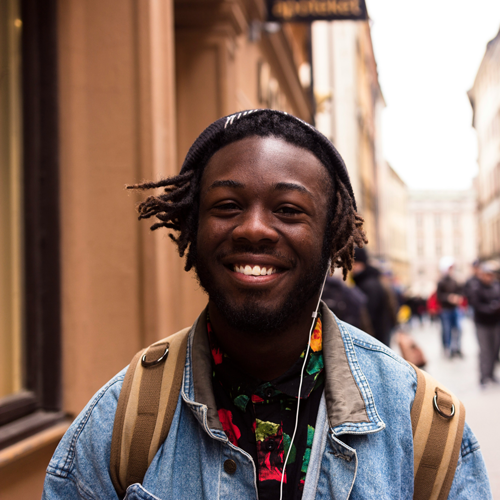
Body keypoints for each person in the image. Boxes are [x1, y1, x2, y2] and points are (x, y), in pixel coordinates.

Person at [42, 110, 491, 499]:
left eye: (289, 210)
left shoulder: (424, 432)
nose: (254, 228)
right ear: (193, 227)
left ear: (332, 236)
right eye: (227, 205)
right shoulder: (120, 426)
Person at [351, 247, 396, 347]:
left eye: (354, 263)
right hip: (382, 334)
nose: (351, 268)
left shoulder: (367, 285)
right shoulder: (374, 279)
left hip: (375, 336)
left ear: (361, 263)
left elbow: (368, 316)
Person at [469, 262, 500, 387]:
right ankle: (484, 376)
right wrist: (490, 308)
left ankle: (491, 374)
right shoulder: (476, 288)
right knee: (485, 350)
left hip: (495, 322)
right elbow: (476, 305)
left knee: (494, 350)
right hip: (482, 323)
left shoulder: (496, 286)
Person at [436, 257, 463, 358]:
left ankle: (456, 348)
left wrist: (458, 297)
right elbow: (438, 296)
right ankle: (447, 348)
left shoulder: (455, 281)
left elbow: (460, 292)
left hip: (455, 308)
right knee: (446, 330)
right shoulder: (441, 282)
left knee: (458, 329)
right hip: (445, 310)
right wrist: (448, 298)